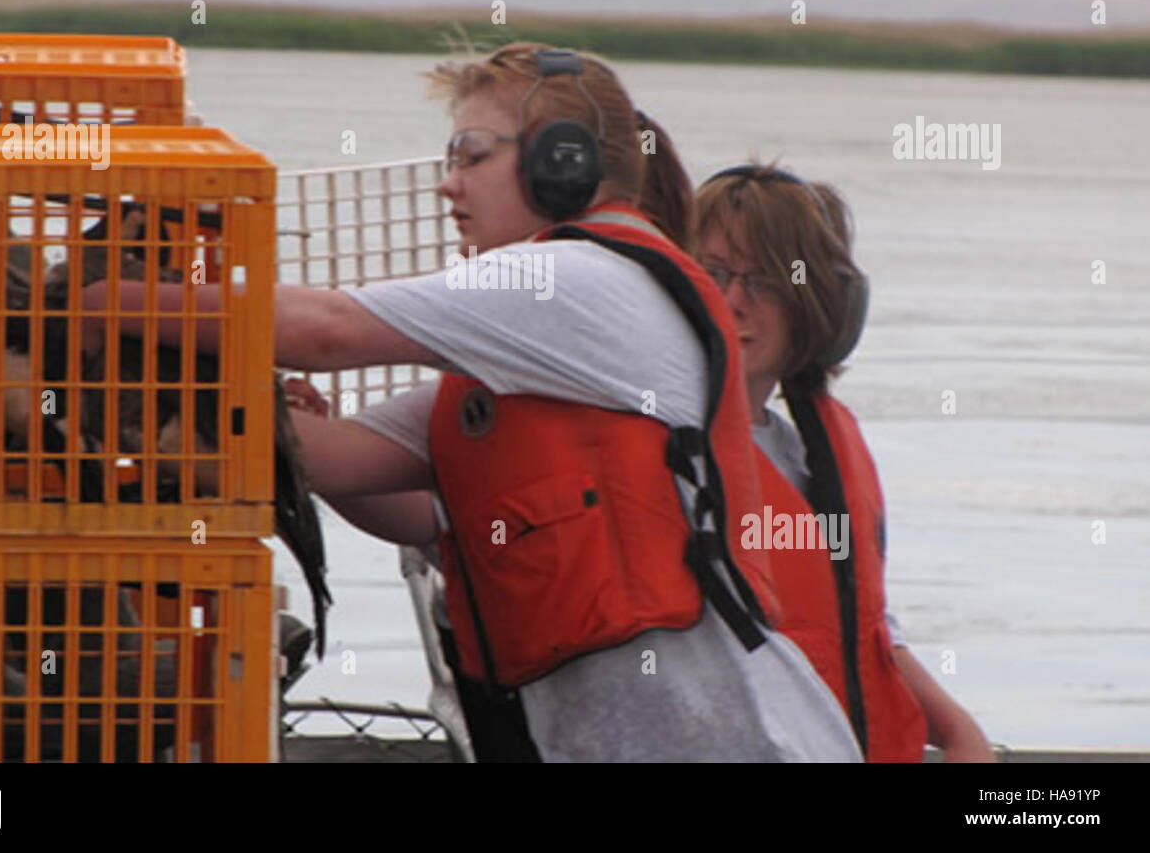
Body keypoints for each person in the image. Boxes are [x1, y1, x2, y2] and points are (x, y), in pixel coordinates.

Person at [88, 43, 861, 762]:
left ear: (564, 163)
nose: (447, 181)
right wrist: (212, 396)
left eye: (471, 155)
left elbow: (327, 330)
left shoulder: (578, 280)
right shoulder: (529, 365)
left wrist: (95, 299)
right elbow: (340, 461)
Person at [694, 162, 995, 763]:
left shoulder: (813, 455)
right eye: (714, 274)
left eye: (765, 281)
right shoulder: (670, 453)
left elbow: (862, 626)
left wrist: (960, 733)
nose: (733, 300)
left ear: (820, 305)